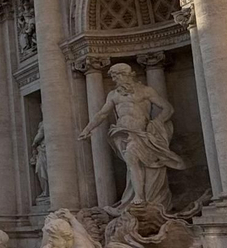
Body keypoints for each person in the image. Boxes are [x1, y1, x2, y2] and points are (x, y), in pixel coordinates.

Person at [77, 63, 185, 209]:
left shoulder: (145, 91)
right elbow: (102, 114)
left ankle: (140, 196)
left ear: (125, 75)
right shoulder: (114, 95)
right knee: (131, 163)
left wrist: (157, 123)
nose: (114, 80)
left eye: (116, 76)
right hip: (121, 134)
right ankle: (138, 195)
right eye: (113, 77)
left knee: (132, 159)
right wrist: (88, 129)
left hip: (141, 133)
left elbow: (167, 108)